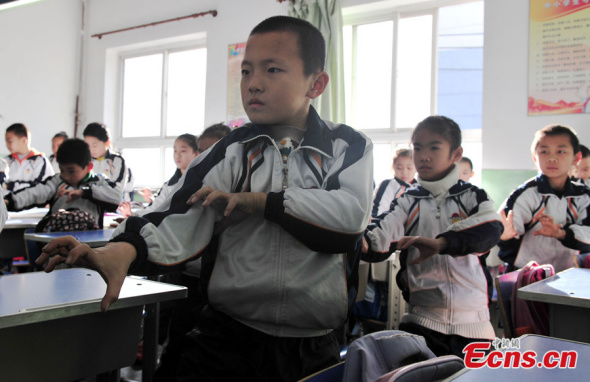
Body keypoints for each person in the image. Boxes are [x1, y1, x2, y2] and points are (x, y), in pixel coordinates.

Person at [38, 15, 373, 382]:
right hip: (228, 338)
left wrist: (259, 202)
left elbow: (350, 216)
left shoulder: (348, 146)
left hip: (311, 347)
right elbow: (179, 209)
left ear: (317, 83)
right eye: (246, 72)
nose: (253, 84)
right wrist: (124, 249)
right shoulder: (231, 150)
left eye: (273, 70)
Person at [362, 115, 503, 358]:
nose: (423, 155)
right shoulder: (407, 200)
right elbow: (379, 236)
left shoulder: (473, 197)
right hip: (422, 320)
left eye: (434, 147)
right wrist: (358, 240)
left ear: (456, 154)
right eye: (417, 148)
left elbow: (491, 227)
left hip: (475, 324)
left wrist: (442, 243)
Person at [498, 124, 590, 273]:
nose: (552, 158)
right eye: (544, 151)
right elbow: (505, 234)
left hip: (570, 276)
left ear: (576, 157)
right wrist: (504, 236)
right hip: (527, 276)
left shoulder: (584, 196)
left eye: (561, 151)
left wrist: (561, 233)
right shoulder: (525, 195)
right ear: (535, 157)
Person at [4, 138, 122, 229]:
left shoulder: (100, 183)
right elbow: (35, 193)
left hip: (89, 246)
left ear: (89, 167)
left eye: (71, 171)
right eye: (62, 170)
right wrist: (10, 201)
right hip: (57, 242)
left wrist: (83, 192)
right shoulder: (57, 182)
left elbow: (115, 197)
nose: (65, 176)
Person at [82, 122, 131, 202]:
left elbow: (117, 189)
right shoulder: (84, 160)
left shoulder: (117, 161)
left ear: (107, 143)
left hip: (111, 206)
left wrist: (91, 191)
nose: (91, 149)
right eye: (87, 145)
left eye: (94, 145)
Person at [4, 123, 54, 192]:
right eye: (6, 141)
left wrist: (9, 186)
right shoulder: (6, 161)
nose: (7, 145)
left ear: (24, 140)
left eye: (9, 141)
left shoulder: (40, 161)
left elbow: (37, 187)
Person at [372, 148, 416, 217]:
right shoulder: (388, 185)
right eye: (399, 168)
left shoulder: (420, 189)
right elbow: (378, 211)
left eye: (409, 168)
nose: (404, 172)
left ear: (416, 168)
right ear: (394, 167)